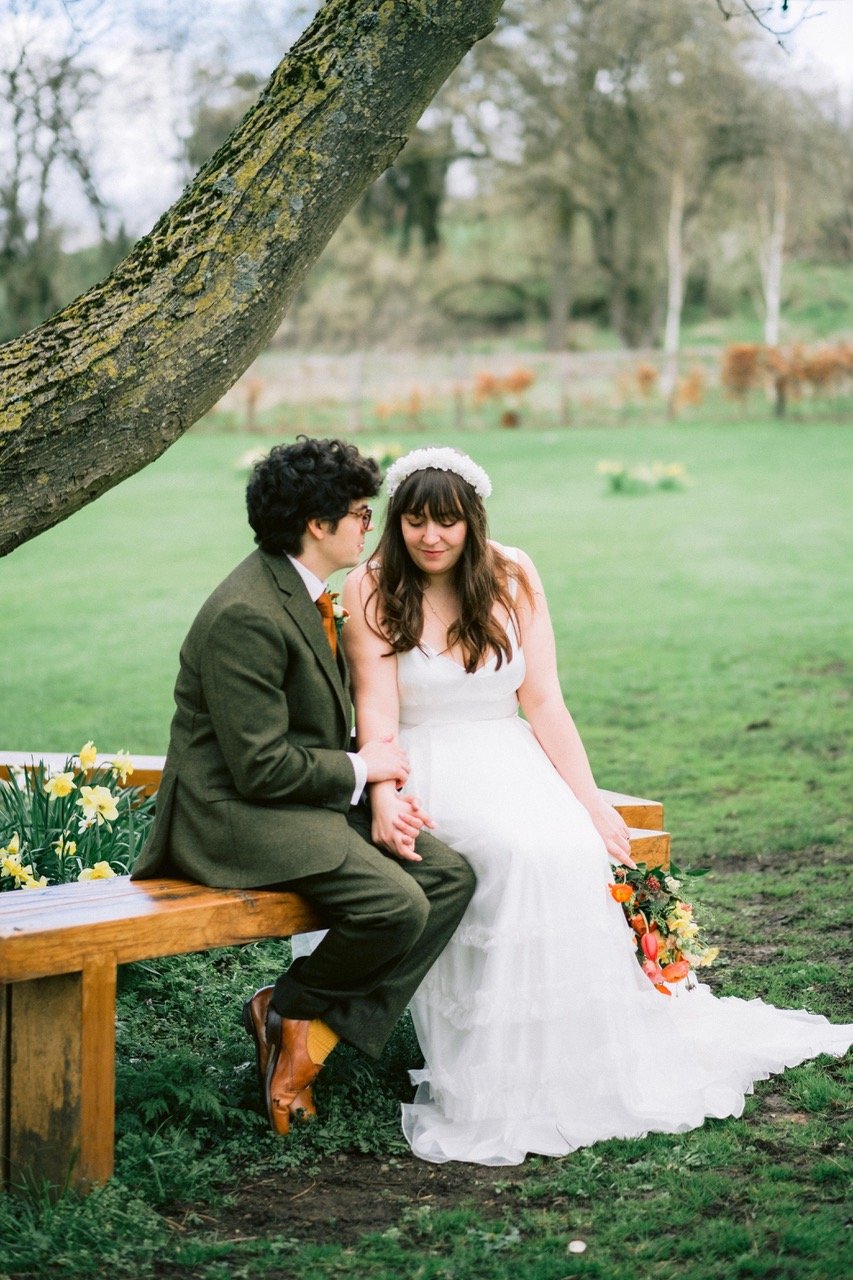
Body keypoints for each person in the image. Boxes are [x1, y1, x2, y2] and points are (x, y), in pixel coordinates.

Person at [342, 445, 852, 1166]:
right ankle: (495, 1069)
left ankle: (577, 1053)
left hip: (508, 754)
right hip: (432, 763)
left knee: (569, 846)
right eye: (416, 522)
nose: (431, 538)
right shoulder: (368, 588)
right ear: (398, 523)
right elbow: (377, 713)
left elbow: (543, 699)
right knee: (517, 855)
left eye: (447, 523)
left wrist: (590, 801)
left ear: (472, 523)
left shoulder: (512, 573)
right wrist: (387, 797)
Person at [132, 438, 475, 1137]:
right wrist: (364, 770)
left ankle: (298, 1022)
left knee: (447, 876)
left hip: (297, 800)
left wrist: (372, 787)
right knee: (392, 905)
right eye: (357, 513)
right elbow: (258, 766)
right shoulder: (246, 614)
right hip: (233, 815)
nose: (366, 526)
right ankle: (292, 1010)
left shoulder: (303, 590)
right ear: (317, 526)